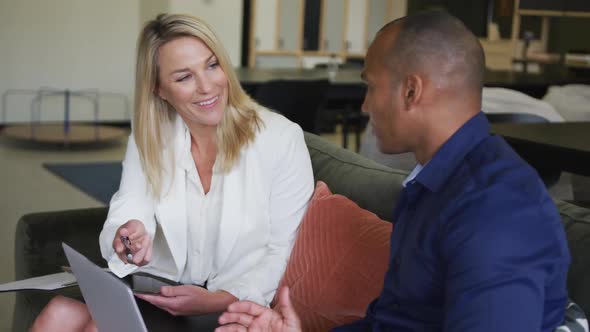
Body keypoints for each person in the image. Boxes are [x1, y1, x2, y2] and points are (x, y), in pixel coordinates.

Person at [215, 11, 571, 332]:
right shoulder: (430, 183)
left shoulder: (495, 211)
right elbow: (390, 321)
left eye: (371, 87)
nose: (365, 105)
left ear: (411, 91)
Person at [31, 13, 313, 331]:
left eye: (212, 65)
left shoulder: (280, 139)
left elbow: (284, 251)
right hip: (166, 293)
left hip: (238, 305)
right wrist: (131, 234)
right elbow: (131, 202)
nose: (208, 86)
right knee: (58, 312)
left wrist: (218, 298)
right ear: (160, 89)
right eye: (184, 77)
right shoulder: (152, 133)